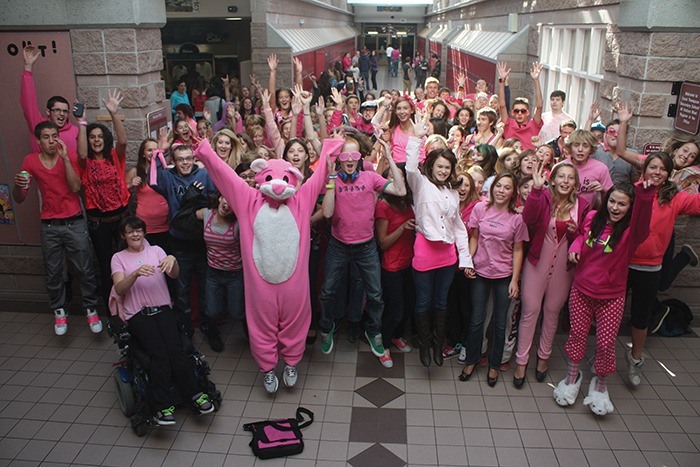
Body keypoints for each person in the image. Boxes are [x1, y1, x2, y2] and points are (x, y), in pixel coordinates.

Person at [554, 180, 655, 415]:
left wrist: (646, 196)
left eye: (622, 204)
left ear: (631, 207)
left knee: (606, 343)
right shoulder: (591, 218)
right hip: (581, 290)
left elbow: (643, 220)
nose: (616, 208)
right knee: (577, 335)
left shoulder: (632, 232)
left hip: (611, 296)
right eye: (612, 201)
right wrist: (575, 248)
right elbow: (580, 236)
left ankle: (600, 386)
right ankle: (572, 377)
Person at [110, 216, 214, 426]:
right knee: (159, 353)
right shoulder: (118, 258)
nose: (135, 234)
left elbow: (174, 275)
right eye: (130, 231)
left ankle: (195, 395)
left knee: (177, 349)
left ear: (144, 232)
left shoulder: (156, 250)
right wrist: (135, 274)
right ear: (124, 236)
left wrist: (173, 261)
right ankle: (161, 406)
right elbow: (119, 288)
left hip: (164, 309)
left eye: (138, 230)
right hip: (138, 314)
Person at [318, 132, 407, 366]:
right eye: (344, 154)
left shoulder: (370, 177)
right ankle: (326, 327)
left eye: (354, 154)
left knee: (376, 295)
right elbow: (327, 213)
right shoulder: (333, 179)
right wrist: (329, 177)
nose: (349, 159)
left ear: (360, 157)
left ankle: (373, 331)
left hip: (366, 247)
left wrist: (389, 158)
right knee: (327, 292)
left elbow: (401, 191)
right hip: (339, 246)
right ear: (338, 158)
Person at [12, 121, 100, 335]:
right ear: (38, 140)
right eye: (46, 137)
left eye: (54, 136)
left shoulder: (67, 154)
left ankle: (91, 309)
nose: (51, 141)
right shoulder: (30, 161)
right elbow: (19, 198)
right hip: (49, 225)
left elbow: (76, 187)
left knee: (84, 268)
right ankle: (59, 311)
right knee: (53, 272)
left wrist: (65, 160)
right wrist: (17, 185)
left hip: (75, 221)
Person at [626, 153, 700, 387]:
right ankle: (603, 359)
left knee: (640, 317)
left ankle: (635, 358)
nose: (657, 172)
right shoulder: (631, 192)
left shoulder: (674, 198)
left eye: (663, 169)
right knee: (612, 313)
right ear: (644, 169)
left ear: (669, 174)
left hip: (650, 268)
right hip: (623, 264)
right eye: (653, 167)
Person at [405, 115, 474, 367]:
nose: (444, 170)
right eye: (440, 166)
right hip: (424, 251)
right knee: (424, 300)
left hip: (447, 256)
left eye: (448, 167)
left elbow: (458, 227)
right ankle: (424, 344)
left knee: (441, 301)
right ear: (431, 166)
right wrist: (417, 137)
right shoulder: (421, 184)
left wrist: (466, 260)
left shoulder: (453, 191)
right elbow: (410, 168)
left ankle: (437, 344)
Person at [513, 162, 589, 388]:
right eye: (561, 177)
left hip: (564, 268)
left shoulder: (582, 206)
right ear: (553, 180)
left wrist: (578, 236)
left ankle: (543, 358)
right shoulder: (543, 197)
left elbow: (587, 236)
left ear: (576, 183)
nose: (565, 181)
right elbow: (528, 219)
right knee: (530, 311)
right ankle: (521, 361)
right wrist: (536, 190)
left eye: (570, 178)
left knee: (552, 312)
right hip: (537, 263)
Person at [459, 173, 529, 387]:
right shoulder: (481, 208)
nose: (501, 190)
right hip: (480, 271)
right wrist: (468, 261)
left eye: (506, 187)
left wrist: (515, 280)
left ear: (513, 192)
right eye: (498, 185)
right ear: (492, 187)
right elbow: (475, 236)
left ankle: (494, 365)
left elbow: (518, 250)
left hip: (504, 274)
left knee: (500, 323)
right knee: (477, 319)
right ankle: (471, 360)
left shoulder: (517, 218)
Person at [149, 144, 216, 322]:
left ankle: (206, 322)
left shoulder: (204, 175)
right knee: (182, 287)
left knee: (205, 285)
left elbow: (214, 198)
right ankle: (185, 325)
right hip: (179, 240)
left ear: (194, 159)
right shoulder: (169, 177)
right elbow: (153, 180)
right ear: (174, 161)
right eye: (180, 159)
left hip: (202, 240)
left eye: (188, 158)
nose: (185, 162)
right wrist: (160, 152)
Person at [76, 89, 130, 307]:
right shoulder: (84, 162)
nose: (96, 140)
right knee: (107, 264)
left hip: (121, 218)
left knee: (128, 259)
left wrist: (114, 114)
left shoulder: (115, 157)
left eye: (99, 137)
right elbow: (80, 153)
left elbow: (124, 141)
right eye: (92, 137)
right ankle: (113, 306)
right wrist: (81, 122)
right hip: (99, 223)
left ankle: (132, 301)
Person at [196, 193, 245, 352]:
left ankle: (251, 327)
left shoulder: (238, 223)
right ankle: (210, 331)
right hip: (213, 273)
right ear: (219, 198)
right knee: (213, 311)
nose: (227, 205)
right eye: (225, 199)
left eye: (232, 204)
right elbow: (187, 214)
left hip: (234, 274)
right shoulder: (207, 214)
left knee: (236, 313)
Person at [21, 45, 79, 153]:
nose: (62, 114)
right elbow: (28, 102)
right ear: (48, 111)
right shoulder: (38, 125)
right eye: (57, 110)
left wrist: (82, 121)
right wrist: (28, 68)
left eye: (65, 111)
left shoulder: (76, 131)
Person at [126, 135, 170, 252]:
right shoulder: (135, 171)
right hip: (144, 227)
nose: (153, 152)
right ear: (143, 154)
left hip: (165, 225)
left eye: (156, 149)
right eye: (149, 150)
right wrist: (130, 185)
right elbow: (120, 194)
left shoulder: (165, 171)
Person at [497, 61, 544, 151]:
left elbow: (539, 106)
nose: (519, 113)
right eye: (516, 111)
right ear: (512, 113)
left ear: (528, 113)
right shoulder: (508, 123)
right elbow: (502, 105)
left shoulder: (533, 124)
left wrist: (536, 80)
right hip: (511, 159)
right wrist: (502, 81)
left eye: (523, 111)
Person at [562, 129, 613, 208]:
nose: (580, 149)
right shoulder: (560, 167)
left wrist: (603, 191)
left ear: (591, 149)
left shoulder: (601, 168)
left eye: (585, 146)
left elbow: (610, 200)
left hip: (587, 217)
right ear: (570, 147)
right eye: (576, 145)